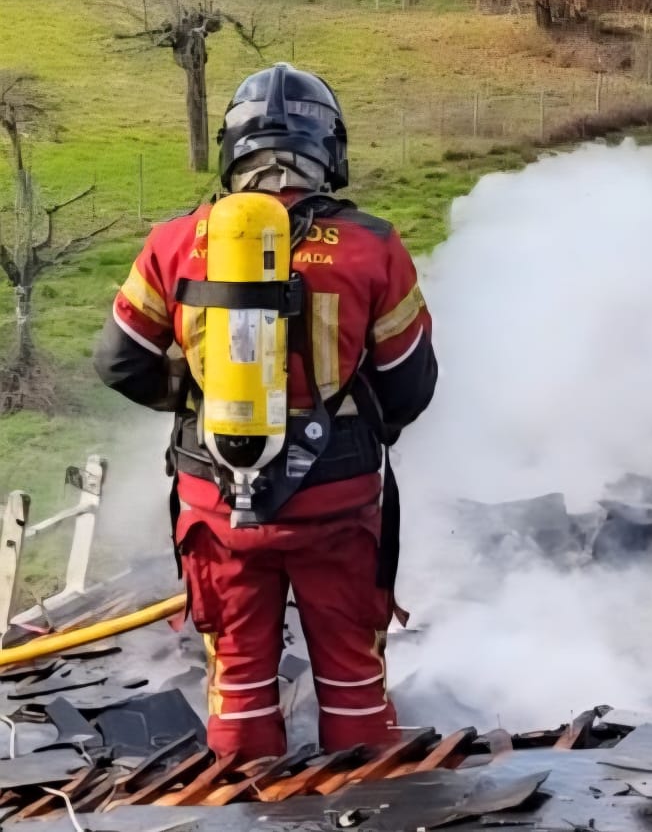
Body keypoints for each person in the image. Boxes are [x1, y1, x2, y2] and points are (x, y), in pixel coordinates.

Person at [94, 63, 438, 760]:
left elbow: (119, 362)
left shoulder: (174, 241)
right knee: (352, 682)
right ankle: (364, 799)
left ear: (233, 149)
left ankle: (242, 807)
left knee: (241, 683)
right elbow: (409, 386)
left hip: (215, 506)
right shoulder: (373, 245)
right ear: (329, 151)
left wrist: (201, 402)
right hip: (337, 503)